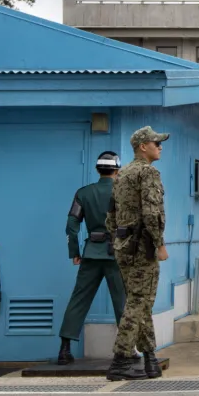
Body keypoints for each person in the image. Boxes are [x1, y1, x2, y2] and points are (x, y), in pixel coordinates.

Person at [57, 151, 139, 365]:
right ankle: (127, 350)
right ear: (117, 169)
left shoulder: (83, 193)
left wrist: (74, 252)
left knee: (79, 300)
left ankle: (64, 349)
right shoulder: (126, 192)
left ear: (97, 169)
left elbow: (71, 226)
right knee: (122, 302)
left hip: (92, 253)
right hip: (119, 255)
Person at [105, 126, 170, 381]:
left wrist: (118, 239)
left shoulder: (122, 175)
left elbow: (111, 214)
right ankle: (120, 361)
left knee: (140, 303)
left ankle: (150, 360)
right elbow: (152, 213)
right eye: (156, 143)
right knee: (138, 302)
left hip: (124, 246)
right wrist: (159, 243)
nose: (160, 147)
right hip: (143, 247)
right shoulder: (147, 172)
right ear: (143, 146)